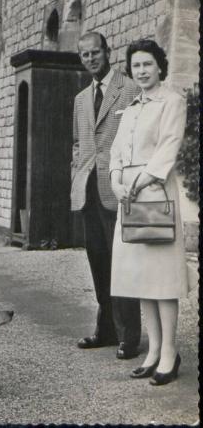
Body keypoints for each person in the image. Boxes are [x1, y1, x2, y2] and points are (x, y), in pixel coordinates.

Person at [109, 39, 190, 385]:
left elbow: (169, 146)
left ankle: (170, 352)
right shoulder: (130, 109)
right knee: (142, 278)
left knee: (162, 278)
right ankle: (154, 350)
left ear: (160, 66)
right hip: (129, 197)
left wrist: (141, 180)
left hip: (154, 193)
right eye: (136, 66)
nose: (141, 71)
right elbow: (115, 152)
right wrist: (115, 181)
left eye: (147, 64)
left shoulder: (172, 101)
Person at [70, 31, 141, 359]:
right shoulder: (81, 99)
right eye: (84, 55)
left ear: (107, 51)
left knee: (122, 263)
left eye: (95, 53)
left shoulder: (128, 89)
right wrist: (76, 174)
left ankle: (130, 335)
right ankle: (107, 330)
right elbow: (79, 143)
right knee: (98, 260)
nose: (90, 59)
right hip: (88, 191)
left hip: (118, 189)